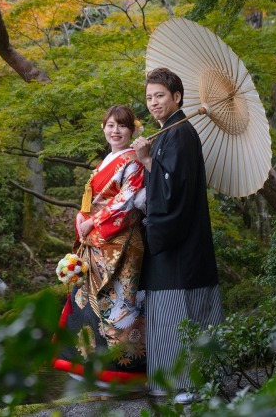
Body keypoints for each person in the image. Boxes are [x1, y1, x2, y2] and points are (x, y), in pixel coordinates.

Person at [131, 68, 224, 404]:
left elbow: (173, 190)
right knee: (177, 311)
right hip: (182, 243)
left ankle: (186, 384)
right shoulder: (171, 133)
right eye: (149, 97)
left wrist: (145, 160)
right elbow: (168, 180)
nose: (153, 103)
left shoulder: (181, 133)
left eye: (160, 96)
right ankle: (183, 383)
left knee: (181, 310)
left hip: (180, 244)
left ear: (177, 97)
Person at [53, 105, 147, 397]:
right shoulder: (107, 160)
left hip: (120, 243)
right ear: (103, 128)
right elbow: (91, 199)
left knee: (118, 307)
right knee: (86, 302)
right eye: (110, 125)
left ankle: (125, 375)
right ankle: (92, 369)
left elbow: (127, 200)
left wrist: (93, 221)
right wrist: (83, 217)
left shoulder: (133, 161)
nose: (115, 131)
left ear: (132, 130)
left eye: (121, 126)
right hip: (95, 243)